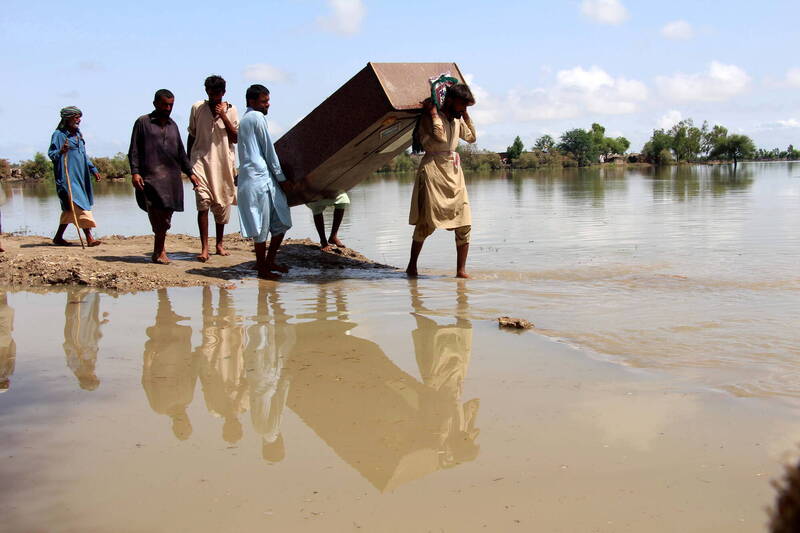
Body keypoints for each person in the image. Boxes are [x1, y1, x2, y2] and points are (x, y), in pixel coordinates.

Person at [406, 84, 477, 278]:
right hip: (433, 170)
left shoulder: (457, 118)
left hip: (454, 172)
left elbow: (471, 138)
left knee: (465, 223)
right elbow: (439, 136)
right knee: (426, 222)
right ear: (451, 101)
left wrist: (466, 116)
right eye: (462, 105)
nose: (464, 110)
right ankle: (412, 267)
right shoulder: (429, 117)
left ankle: (461, 271)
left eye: (467, 107)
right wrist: (433, 112)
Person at [128, 89, 199, 264]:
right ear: (155, 104)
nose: (168, 108)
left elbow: (181, 153)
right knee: (157, 215)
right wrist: (135, 172)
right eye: (165, 104)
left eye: (171, 105)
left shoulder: (173, 125)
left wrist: (191, 173)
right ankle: (158, 252)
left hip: (171, 179)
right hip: (150, 177)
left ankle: (159, 248)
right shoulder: (143, 122)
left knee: (166, 218)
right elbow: (134, 150)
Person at [237, 84, 295, 280]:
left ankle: (268, 262)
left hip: (259, 178)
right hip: (258, 179)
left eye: (268, 101)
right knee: (261, 227)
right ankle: (262, 269)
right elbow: (269, 151)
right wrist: (282, 179)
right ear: (252, 102)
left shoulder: (245, 120)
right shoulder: (255, 117)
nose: (267, 105)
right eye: (264, 101)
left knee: (281, 220)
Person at [187, 75, 239, 262]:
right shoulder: (197, 108)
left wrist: (223, 115)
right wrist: (188, 164)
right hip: (200, 162)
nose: (214, 96)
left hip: (224, 164)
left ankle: (219, 244)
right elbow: (191, 135)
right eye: (210, 93)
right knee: (202, 203)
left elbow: (235, 138)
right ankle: (204, 248)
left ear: (223, 93)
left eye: (217, 93)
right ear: (206, 91)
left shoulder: (232, 110)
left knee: (221, 206)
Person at [48, 106, 103, 247]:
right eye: (76, 117)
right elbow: (51, 154)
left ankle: (58, 237)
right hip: (67, 177)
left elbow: (83, 155)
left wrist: (93, 168)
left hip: (81, 176)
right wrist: (61, 151)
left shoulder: (78, 134)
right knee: (80, 205)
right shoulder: (59, 135)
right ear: (68, 118)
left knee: (70, 210)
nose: (79, 120)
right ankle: (89, 238)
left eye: (79, 117)